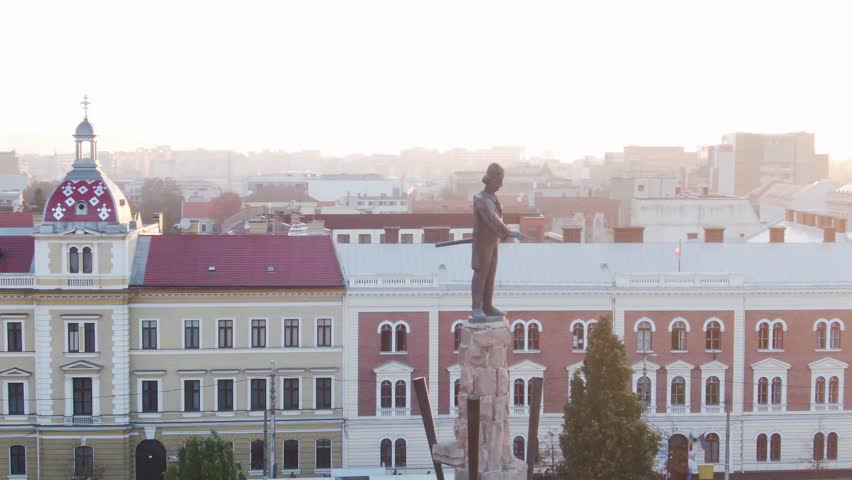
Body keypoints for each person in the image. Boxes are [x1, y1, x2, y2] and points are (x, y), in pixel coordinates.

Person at [471, 163, 523, 321]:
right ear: (490, 179)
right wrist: (508, 231)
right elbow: (492, 219)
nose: (501, 184)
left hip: (493, 243)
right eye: (499, 180)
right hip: (482, 244)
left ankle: (488, 305)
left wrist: (504, 233)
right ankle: (477, 307)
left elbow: (497, 218)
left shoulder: (495, 199)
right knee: (481, 274)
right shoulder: (481, 199)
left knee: (491, 274)